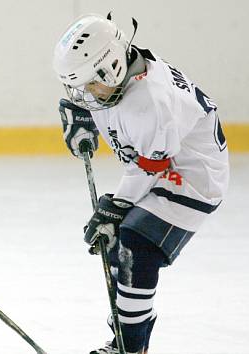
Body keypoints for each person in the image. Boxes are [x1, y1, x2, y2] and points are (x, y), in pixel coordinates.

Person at [52, 14, 229, 354]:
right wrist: (83, 115)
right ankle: (129, 335)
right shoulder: (119, 76)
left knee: (134, 246)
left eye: (90, 85)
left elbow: (150, 167)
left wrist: (114, 209)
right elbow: (104, 105)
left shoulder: (152, 103)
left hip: (192, 178)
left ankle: (130, 347)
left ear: (112, 67)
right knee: (121, 248)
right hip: (162, 162)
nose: (86, 93)